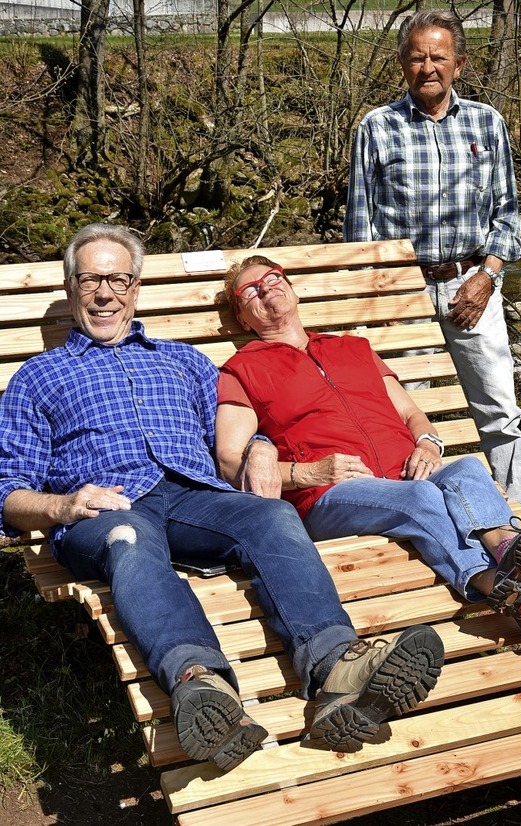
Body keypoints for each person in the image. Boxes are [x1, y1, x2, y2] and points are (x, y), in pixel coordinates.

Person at [0, 224, 447, 765]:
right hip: (107, 505)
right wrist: (60, 505)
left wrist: (260, 448)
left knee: (271, 517)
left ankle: (336, 668)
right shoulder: (38, 377)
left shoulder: (184, 362)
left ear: (136, 288)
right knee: (130, 539)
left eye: (118, 279)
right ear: (71, 287)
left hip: (195, 496)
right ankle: (202, 686)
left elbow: (237, 430)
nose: (104, 293)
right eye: (91, 279)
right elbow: (8, 495)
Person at [215, 256, 521, 661]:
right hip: (331, 494)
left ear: (293, 289)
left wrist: (428, 443)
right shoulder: (242, 370)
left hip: (407, 470)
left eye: (273, 278)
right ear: (243, 319)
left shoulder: (352, 347)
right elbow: (230, 462)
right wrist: (310, 471)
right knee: (422, 497)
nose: (265, 288)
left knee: (467, 468)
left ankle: (515, 562)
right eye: (249, 290)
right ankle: (506, 581)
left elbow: (411, 414)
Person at [343, 10, 521, 506]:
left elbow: (508, 214)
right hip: (401, 289)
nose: (428, 66)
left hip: (471, 282)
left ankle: (520, 512)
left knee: (498, 408)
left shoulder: (485, 122)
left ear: (459, 64)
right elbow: (359, 229)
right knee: (411, 412)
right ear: (403, 64)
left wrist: (488, 276)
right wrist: (377, 296)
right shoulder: (377, 127)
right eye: (417, 57)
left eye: (438, 57)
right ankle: (431, 514)